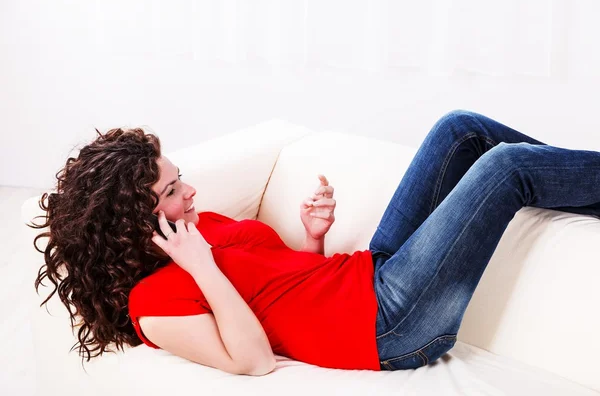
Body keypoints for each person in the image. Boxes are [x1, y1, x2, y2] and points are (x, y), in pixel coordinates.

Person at [31, 110, 600, 376]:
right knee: (504, 168)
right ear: (138, 218)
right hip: (387, 324)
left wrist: (312, 239)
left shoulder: (197, 227)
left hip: (367, 276)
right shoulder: (152, 303)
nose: (192, 191)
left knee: (460, 131)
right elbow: (253, 360)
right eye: (175, 189)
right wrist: (202, 268)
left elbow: (286, 295)